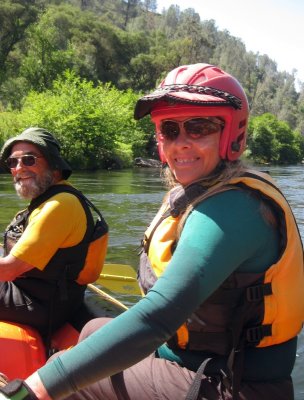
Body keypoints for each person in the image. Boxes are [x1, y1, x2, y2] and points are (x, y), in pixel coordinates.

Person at [1, 64, 303, 400]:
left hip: (227, 382)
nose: (181, 143)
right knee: (91, 330)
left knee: (68, 379)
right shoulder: (204, 192)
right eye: (170, 130)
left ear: (232, 133)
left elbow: (158, 315)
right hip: (195, 362)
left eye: (199, 127)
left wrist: (37, 386)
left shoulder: (234, 208)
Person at [0, 127, 108, 339]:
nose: (19, 168)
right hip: (35, 296)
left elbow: (9, 271)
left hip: (37, 305)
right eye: (13, 162)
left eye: (29, 160)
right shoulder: (47, 201)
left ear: (54, 164)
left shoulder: (59, 205)